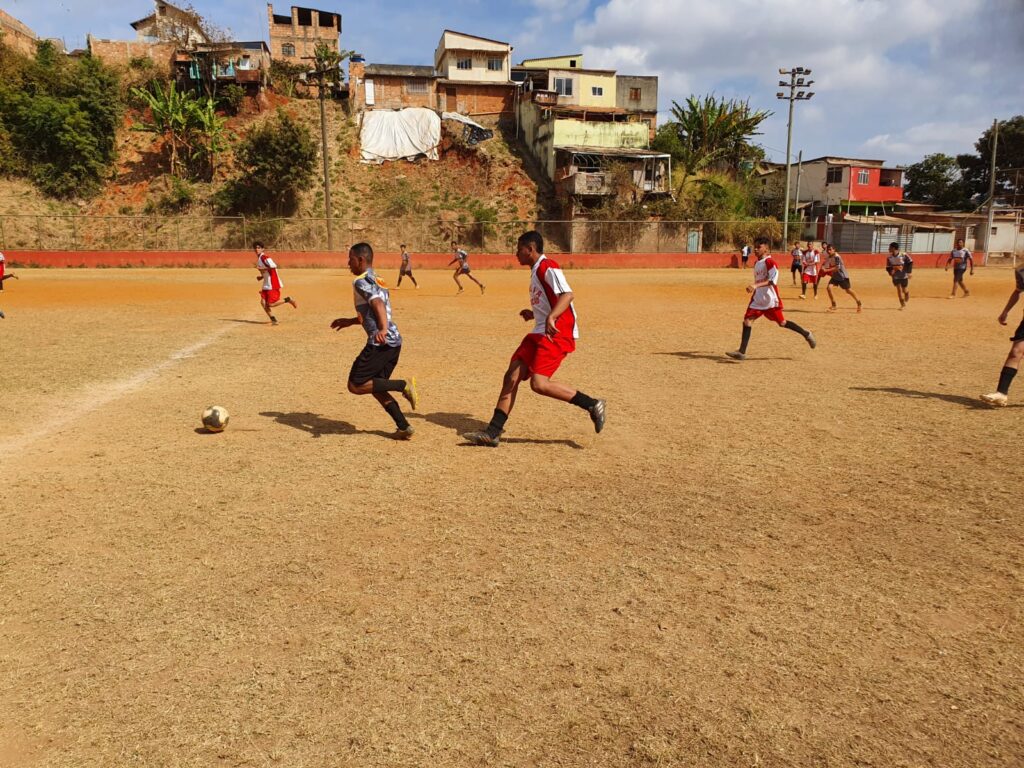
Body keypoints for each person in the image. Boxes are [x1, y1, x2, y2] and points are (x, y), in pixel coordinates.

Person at [463, 230, 606, 447]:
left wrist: (551, 316)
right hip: (540, 330)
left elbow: (567, 295)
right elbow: (549, 299)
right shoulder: (536, 270)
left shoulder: (548, 266)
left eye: (519, 250)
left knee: (539, 384)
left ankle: (592, 404)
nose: (515, 254)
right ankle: (493, 432)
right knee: (511, 375)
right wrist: (535, 313)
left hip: (556, 332)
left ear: (530, 249)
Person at [330, 242, 419, 439]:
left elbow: (377, 303)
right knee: (375, 386)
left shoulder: (360, 281)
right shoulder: (377, 278)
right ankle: (404, 426)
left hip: (381, 343)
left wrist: (382, 329)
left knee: (356, 385)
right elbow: (371, 308)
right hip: (393, 342)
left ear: (360, 260)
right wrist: (351, 321)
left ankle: (403, 385)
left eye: (350, 259)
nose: (348, 263)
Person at [726, 237, 817, 361]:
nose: (756, 249)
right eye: (755, 246)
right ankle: (742, 352)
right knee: (747, 321)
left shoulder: (770, 262)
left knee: (782, 323)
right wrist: (755, 287)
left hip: (770, 300)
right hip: (758, 299)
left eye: (759, 247)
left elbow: (772, 281)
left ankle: (806, 334)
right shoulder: (757, 263)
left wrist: (755, 285)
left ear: (766, 249)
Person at [981, 264, 1024, 406]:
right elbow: (1018, 291)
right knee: (1015, 352)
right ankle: (1001, 393)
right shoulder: (1021, 270)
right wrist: (1006, 311)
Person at [255, 242, 297, 325]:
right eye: (255, 248)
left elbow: (273, 266)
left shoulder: (264, 257)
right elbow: (267, 270)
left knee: (270, 304)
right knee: (263, 303)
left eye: (259, 247)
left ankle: (288, 299)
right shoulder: (260, 259)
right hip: (266, 284)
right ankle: (273, 320)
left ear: (263, 249)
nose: (257, 249)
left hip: (272, 283)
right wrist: (262, 277)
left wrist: (262, 268)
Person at [821, 243, 862, 313]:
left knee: (848, 291)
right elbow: (826, 263)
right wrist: (823, 266)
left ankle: (859, 303)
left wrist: (826, 270)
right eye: (828, 250)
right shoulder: (829, 256)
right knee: (829, 288)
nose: (829, 251)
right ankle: (834, 305)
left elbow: (837, 268)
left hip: (842, 276)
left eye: (830, 250)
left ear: (834, 250)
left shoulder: (837, 257)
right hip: (835, 276)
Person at [886, 242, 912, 309]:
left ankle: (907, 293)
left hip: (903, 275)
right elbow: (888, 267)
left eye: (890, 247)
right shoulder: (889, 257)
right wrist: (890, 271)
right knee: (899, 289)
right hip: (895, 275)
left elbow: (910, 262)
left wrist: (909, 272)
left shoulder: (903, 255)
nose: (888, 249)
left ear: (893, 248)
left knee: (904, 290)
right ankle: (902, 304)